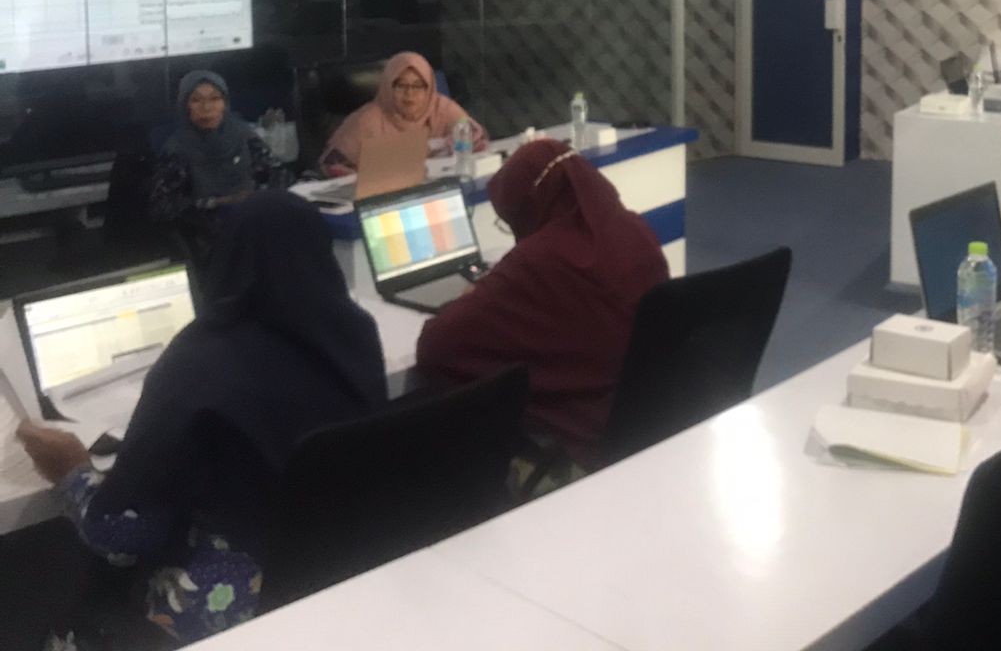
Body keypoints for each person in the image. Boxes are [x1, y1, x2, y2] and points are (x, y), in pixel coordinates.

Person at [16, 193, 387, 644]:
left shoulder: (200, 358)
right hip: (339, 572)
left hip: (223, 608)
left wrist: (70, 470)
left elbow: (122, 534)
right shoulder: (357, 335)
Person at [415, 139, 668, 475]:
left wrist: (478, 296)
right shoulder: (635, 231)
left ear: (531, 206)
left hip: (581, 445)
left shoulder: (539, 263)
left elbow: (436, 347)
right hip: (652, 422)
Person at [318, 51, 486, 176]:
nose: (409, 94)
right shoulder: (367, 120)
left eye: (418, 86)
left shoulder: (440, 107)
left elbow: (474, 135)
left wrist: (440, 145)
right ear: (388, 87)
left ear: (429, 88)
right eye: (401, 86)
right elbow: (331, 165)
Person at [149, 71, 277, 225]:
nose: (206, 107)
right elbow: (164, 208)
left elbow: (276, 177)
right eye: (196, 100)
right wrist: (217, 202)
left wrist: (258, 198)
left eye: (215, 98)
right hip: (203, 229)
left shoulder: (244, 135)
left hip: (254, 219)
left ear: (225, 104)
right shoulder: (176, 150)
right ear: (185, 106)